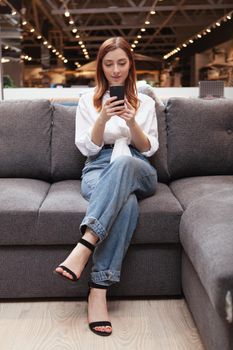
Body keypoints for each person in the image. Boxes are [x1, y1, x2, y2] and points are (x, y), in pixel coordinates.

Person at [54, 36, 159, 337]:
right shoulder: (88, 100)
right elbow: (87, 146)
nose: (115, 70)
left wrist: (132, 122)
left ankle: (84, 246)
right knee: (125, 203)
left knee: (124, 164)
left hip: (138, 165)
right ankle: (98, 291)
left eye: (121, 63)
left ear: (131, 65)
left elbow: (149, 149)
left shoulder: (147, 101)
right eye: (109, 64)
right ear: (100, 66)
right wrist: (102, 116)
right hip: (99, 166)